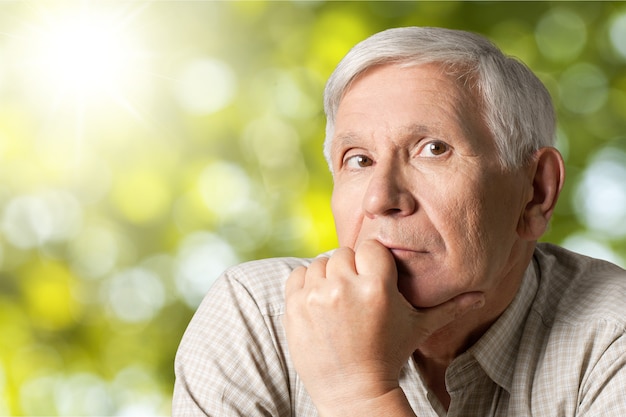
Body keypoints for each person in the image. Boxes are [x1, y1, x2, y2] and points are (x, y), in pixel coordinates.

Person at [172, 26, 626, 416]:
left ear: (535, 192)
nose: (380, 198)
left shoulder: (611, 336)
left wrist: (357, 392)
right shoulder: (259, 318)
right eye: (359, 159)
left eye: (433, 149)